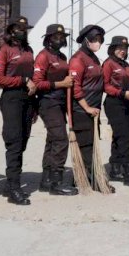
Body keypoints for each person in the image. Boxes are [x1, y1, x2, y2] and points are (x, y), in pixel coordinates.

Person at [0, 16, 35, 205]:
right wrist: (22, 81)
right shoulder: (5, 50)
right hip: (11, 97)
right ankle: (14, 186)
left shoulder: (28, 50)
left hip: (27, 98)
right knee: (14, 142)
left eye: (25, 29)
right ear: (11, 31)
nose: (22, 31)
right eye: (19, 28)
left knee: (24, 141)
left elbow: (33, 74)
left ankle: (10, 184)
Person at [32, 24, 78, 196]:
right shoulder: (43, 56)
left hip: (60, 103)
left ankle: (46, 180)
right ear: (48, 38)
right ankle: (57, 183)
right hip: (48, 102)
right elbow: (37, 83)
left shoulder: (62, 56)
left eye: (62, 37)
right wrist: (60, 84)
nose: (60, 39)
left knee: (52, 140)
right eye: (56, 36)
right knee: (60, 140)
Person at [70, 24, 113, 192]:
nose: (98, 43)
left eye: (100, 40)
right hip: (82, 110)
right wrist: (87, 107)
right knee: (86, 146)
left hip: (94, 108)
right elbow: (75, 88)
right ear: (85, 40)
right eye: (94, 40)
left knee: (91, 144)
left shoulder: (93, 58)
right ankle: (93, 179)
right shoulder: (78, 59)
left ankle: (81, 178)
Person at [103, 36, 129, 188]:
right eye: (119, 48)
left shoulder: (125, 64)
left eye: (125, 48)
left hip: (126, 102)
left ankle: (115, 168)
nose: (122, 51)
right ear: (112, 49)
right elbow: (105, 85)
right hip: (114, 103)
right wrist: (122, 93)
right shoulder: (108, 63)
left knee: (119, 136)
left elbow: (128, 84)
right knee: (124, 138)